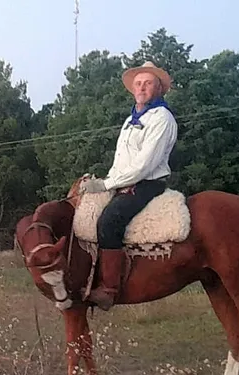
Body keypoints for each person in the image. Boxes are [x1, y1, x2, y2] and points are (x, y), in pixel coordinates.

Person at [78, 61, 179, 311]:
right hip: (124, 181)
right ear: (133, 89)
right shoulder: (130, 119)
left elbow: (144, 165)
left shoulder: (162, 118)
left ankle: (110, 289)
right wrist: (106, 183)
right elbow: (121, 161)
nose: (142, 88)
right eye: (138, 84)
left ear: (158, 89)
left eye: (148, 83)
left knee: (109, 221)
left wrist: (106, 184)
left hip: (147, 183)